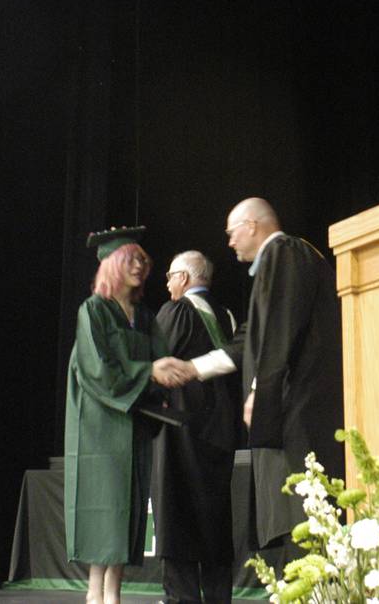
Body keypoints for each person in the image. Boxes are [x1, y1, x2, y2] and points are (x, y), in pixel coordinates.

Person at [164, 199, 345, 570]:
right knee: (300, 513)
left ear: (252, 225)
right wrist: (190, 368)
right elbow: (248, 341)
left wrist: (260, 390)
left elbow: (279, 332)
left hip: (305, 409)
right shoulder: (275, 269)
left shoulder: (284, 252)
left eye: (231, 232)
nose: (229, 242)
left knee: (309, 512)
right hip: (301, 410)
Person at [64, 226, 182, 604]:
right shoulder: (94, 311)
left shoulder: (145, 317)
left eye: (142, 259)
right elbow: (98, 369)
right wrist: (148, 371)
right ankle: (98, 594)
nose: (140, 264)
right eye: (131, 258)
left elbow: (159, 362)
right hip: (101, 425)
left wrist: (164, 378)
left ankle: (107, 593)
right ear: (112, 264)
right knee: (105, 506)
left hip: (133, 422)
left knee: (125, 509)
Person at [151, 250, 242, 604]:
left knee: (177, 513)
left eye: (172, 275)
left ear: (185, 279)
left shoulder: (175, 311)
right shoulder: (229, 317)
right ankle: (219, 597)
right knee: (215, 517)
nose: (168, 282)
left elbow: (156, 364)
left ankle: (182, 598)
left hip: (180, 430)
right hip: (221, 432)